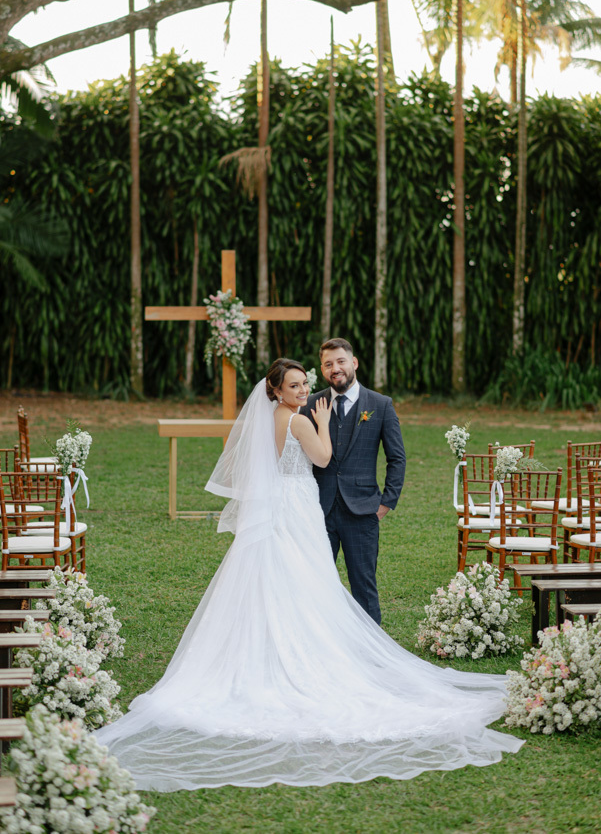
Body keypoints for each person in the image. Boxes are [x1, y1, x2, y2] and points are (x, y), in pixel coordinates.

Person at [95, 359, 523, 790]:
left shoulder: (268, 421)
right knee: (308, 583)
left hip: (280, 507)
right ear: (277, 391)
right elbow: (324, 456)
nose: (304, 391)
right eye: (295, 386)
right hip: (297, 509)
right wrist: (319, 422)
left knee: (278, 582)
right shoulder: (300, 420)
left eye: (306, 384)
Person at [302, 338, 405, 624]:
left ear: (354, 363)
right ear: (322, 370)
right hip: (318, 511)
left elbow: (396, 458)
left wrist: (386, 502)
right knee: (315, 584)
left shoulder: (380, 405)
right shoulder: (311, 404)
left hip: (363, 511)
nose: (336, 368)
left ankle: (372, 656)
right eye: (328, 364)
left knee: (364, 586)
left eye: (341, 361)